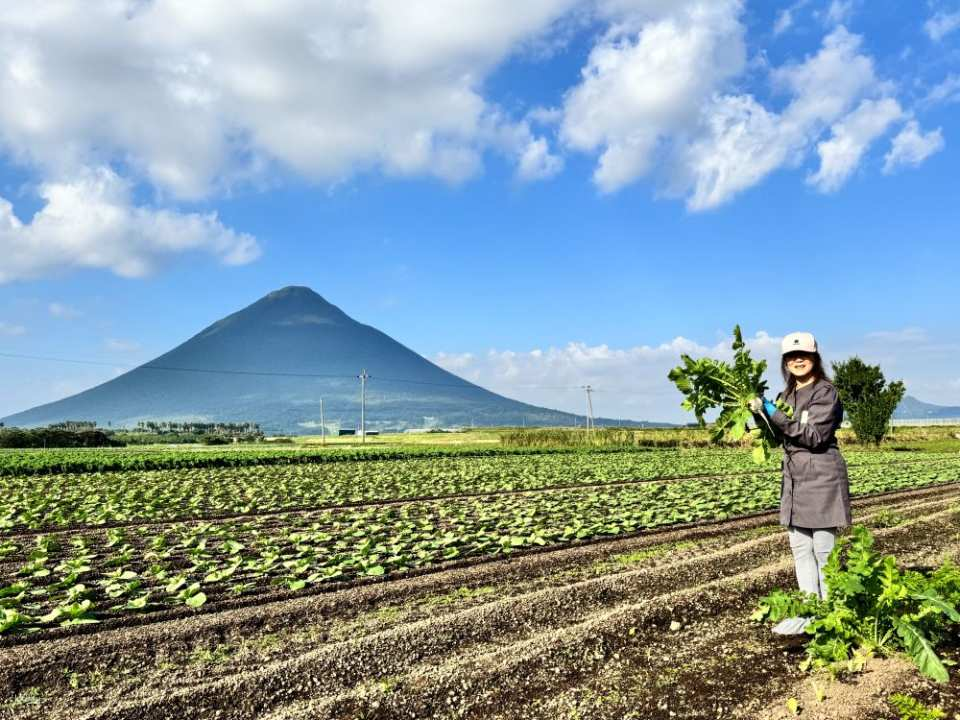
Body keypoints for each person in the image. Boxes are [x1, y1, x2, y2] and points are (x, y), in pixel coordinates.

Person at [748, 331, 851, 635]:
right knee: (800, 549)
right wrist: (758, 415)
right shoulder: (785, 396)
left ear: (815, 357)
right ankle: (810, 614)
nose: (797, 360)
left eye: (803, 355)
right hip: (794, 479)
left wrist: (772, 412)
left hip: (821, 476)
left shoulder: (825, 392)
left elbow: (814, 436)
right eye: (791, 357)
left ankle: (834, 616)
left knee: (824, 551)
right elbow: (780, 433)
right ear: (785, 362)